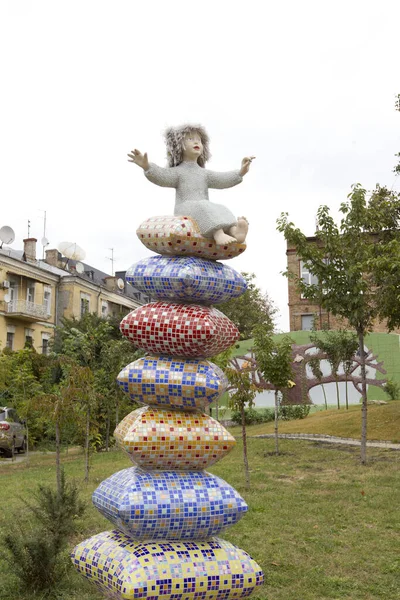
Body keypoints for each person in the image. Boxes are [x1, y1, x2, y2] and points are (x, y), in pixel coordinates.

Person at [128, 124, 255, 245]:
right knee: (203, 206)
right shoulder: (178, 172)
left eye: (199, 140)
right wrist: (147, 166)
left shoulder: (204, 174)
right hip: (184, 208)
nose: (196, 142)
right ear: (179, 145)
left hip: (204, 207)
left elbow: (222, 179)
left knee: (221, 207)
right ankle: (218, 234)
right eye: (190, 139)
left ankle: (234, 231)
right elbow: (162, 176)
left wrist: (241, 172)